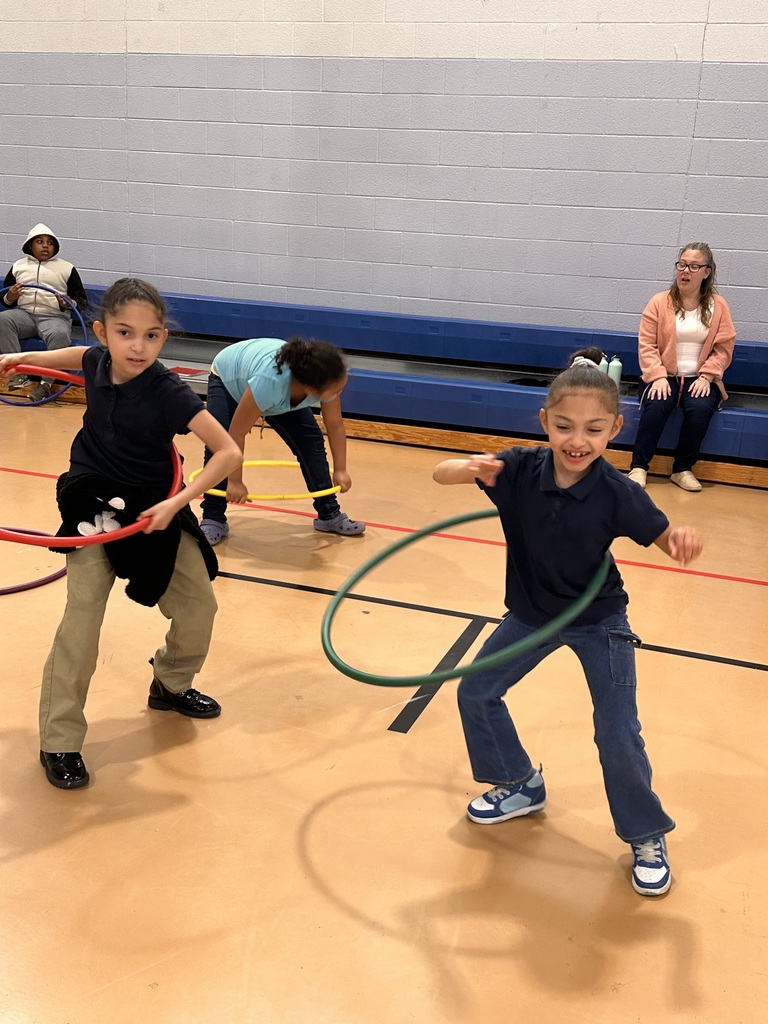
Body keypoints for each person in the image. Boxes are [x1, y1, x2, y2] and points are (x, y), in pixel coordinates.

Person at [433, 347, 703, 896]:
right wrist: (468, 467)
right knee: (475, 691)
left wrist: (678, 541)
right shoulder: (516, 469)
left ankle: (646, 833)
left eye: (594, 430)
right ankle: (520, 783)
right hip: (531, 612)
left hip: (597, 618)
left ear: (614, 430)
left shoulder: (618, 493)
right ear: (544, 422)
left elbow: (662, 534)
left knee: (617, 730)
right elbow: (440, 474)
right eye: (563, 426)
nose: (577, 440)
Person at [0, 278, 242, 790]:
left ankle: (170, 682)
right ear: (102, 332)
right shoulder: (95, 360)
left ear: (163, 337)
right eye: (125, 333)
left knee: (199, 605)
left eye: (151, 335)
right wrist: (19, 358)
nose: (138, 346)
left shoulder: (169, 391)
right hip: (92, 502)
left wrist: (177, 501)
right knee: (81, 622)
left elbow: (228, 452)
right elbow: (75, 356)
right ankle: (59, 740)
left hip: (155, 508)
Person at [199, 336, 365, 545]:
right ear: (310, 390)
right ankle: (213, 517)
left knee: (311, 441)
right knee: (218, 444)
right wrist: (235, 481)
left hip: (271, 384)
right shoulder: (270, 383)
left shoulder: (326, 378)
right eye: (336, 390)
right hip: (229, 375)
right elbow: (235, 434)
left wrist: (340, 469)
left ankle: (329, 513)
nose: (339, 392)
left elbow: (335, 425)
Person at [627, 242, 736, 492]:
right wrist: (657, 376)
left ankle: (682, 469)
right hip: (664, 375)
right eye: (682, 265)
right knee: (657, 404)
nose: (686, 271)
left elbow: (724, 348)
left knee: (701, 408)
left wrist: (707, 376)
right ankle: (639, 467)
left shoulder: (719, 306)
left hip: (700, 378)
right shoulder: (659, 302)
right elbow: (647, 344)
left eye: (694, 266)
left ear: (707, 272)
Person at [1, 223, 89, 402]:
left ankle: (45, 384)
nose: (45, 246)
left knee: (59, 333)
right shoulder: (18, 266)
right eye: (40, 242)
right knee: (2, 319)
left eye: (50, 243)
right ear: (30, 245)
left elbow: (81, 301)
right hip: (24, 315)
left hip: (54, 318)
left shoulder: (67, 268)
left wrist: (67, 302)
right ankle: (19, 374)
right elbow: (5, 298)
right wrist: (10, 296)